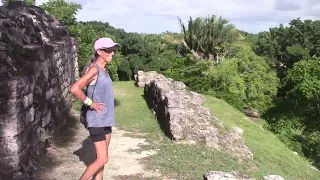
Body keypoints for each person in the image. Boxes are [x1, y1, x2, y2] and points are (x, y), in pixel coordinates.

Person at [70, 37, 120, 180]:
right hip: (97, 120)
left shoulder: (104, 70)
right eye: (109, 50)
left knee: (101, 157)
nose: (113, 53)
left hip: (107, 119)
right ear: (99, 51)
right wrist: (90, 103)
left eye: (113, 50)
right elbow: (75, 88)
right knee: (103, 159)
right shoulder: (94, 69)